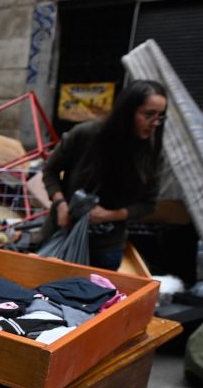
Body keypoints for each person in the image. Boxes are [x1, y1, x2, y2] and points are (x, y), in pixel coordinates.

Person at [42, 79, 167, 270]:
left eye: (160, 116)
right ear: (127, 111)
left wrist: (109, 215)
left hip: (105, 249)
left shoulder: (152, 153)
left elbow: (148, 204)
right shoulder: (86, 135)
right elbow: (50, 170)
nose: (154, 123)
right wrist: (60, 205)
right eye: (148, 115)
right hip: (61, 235)